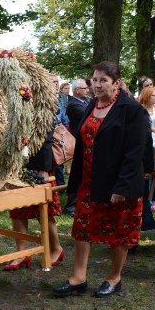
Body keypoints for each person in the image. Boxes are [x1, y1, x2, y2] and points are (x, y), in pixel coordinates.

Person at [52, 61, 147, 298]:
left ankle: (114, 278)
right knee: (82, 227)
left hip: (118, 183)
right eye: (94, 80)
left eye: (103, 80)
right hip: (89, 180)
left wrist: (122, 186)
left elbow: (136, 152)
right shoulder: (92, 105)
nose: (97, 85)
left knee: (119, 229)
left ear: (116, 83)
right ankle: (78, 278)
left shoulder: (131, 109)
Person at [4, 131, 65, 271]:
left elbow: (46, 134)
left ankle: (56, 248)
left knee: (43, 211)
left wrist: (44, 168)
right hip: (17, 165)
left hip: (38, 166)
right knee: (16, 208)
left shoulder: (41, 108)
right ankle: (22, 253)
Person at [63, 78, 90, 216]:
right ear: (77, 90)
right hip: (78, 144)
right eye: (85, 88)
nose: (88, 90)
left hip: (87, 144)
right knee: (76, 174)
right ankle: (71, 206)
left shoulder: (86, 102)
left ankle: (81, 202)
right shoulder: (73, 104)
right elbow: (88, 115)